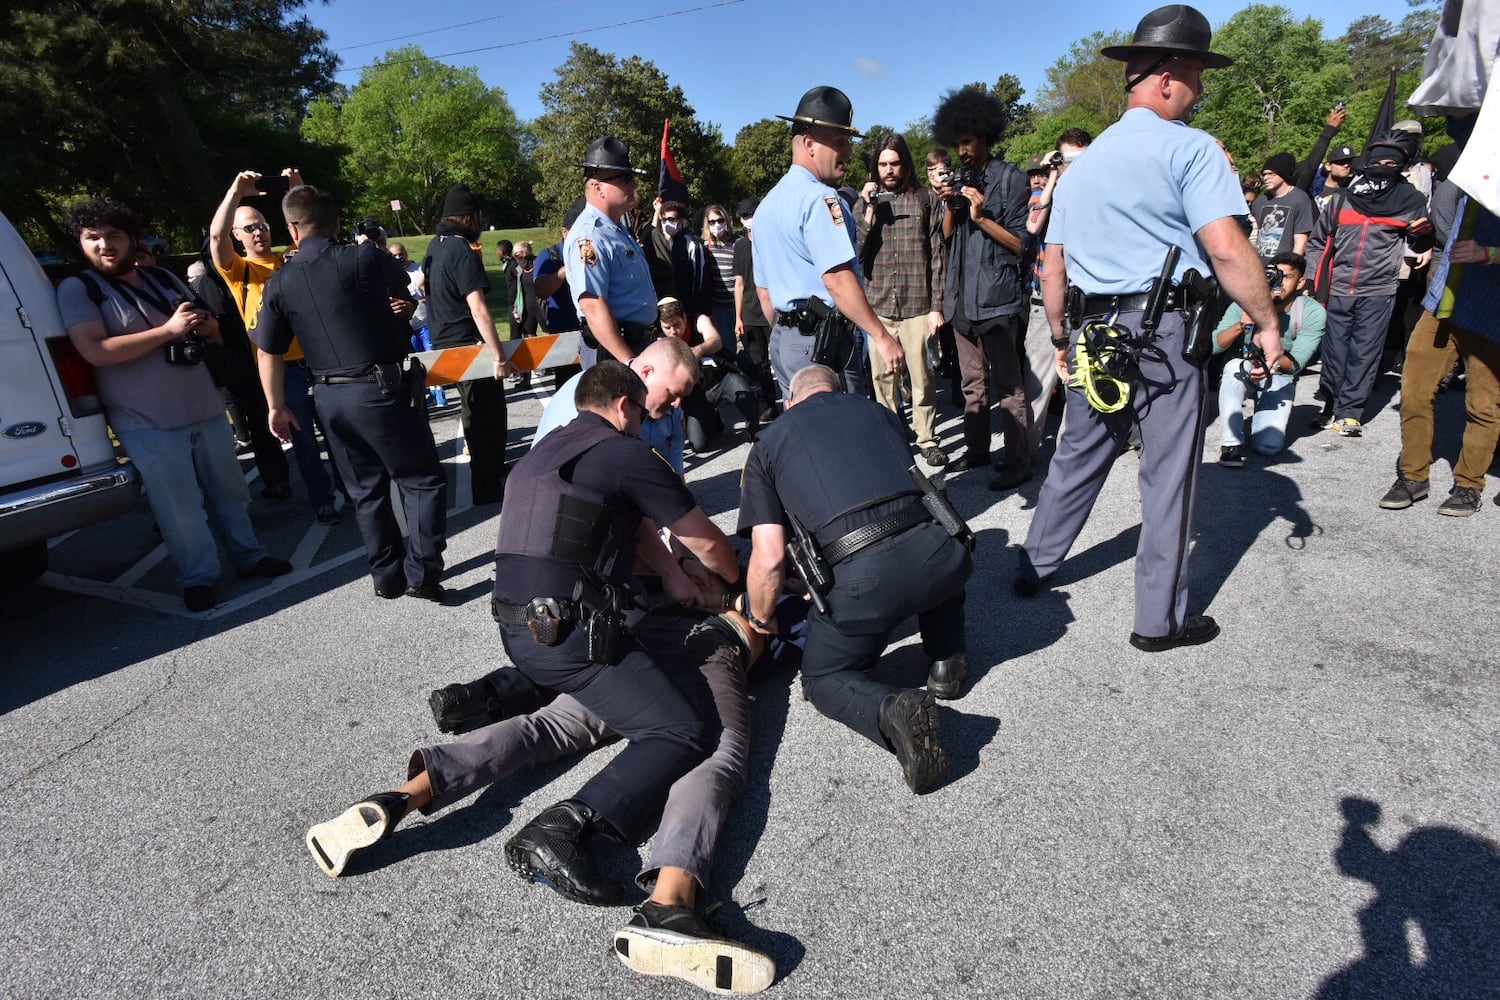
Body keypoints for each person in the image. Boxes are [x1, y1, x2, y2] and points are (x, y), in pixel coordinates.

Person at [307, 598, 785, 995]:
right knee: (714, 759)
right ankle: (669, 905)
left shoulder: (679, 566)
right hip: (716, 644)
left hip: (637, 645)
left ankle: (398, 798)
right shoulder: (755, 573)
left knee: (547, 728)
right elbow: (762, 612)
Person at [1017, 4, 1284, 651]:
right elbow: (1225, 247)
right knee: (1167, 474)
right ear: (1166, 76)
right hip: (1164, 330)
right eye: (1198, 73)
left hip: (1093, 330)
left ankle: (1033, 565)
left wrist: (1059, 338)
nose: (1203, 89)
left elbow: (1051, 267)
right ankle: (1158, 620)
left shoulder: (1078, 171)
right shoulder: (1191, 148)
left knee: (1078, 453)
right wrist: (1268, 321)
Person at [493, 361, 742, 909]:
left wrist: (673, 580)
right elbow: (704, 541)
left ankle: (486, 694)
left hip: (517, 628)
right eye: (656, 406)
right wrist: (732, 582)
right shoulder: (626, 452)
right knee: (681, 730)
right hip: (565, 636)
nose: (665, 414)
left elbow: (629, 528)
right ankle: (564, 830)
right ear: (625, 406)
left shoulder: (548, 449)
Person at [737, 364, 973, 793]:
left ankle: (891, 708)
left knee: (822, 679)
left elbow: (769, 557)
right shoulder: (879, 412)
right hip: (940, 556)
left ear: (790, 403)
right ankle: (946, 660)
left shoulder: (768, 443)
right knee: (931, 563)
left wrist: (760, 618)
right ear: (839, 390)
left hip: (863, 586)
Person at [56, 199, 291, 612]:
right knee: (180, 507)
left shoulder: (163, 278)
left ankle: (249, 556)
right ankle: (198, 577)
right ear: (80, 243)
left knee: (232, 492)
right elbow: (95, 350)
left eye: (113, 236)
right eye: (92, 238)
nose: (104, 245)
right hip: (147, 422)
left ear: (132, 239)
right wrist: (168, 330)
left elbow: (209, 329)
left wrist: (208, 327)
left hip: (205, 407)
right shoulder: (81, 288)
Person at [251, 184, 450, 602]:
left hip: (326, 396)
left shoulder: (280, 281)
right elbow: (406, 294)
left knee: (365, 490)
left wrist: (276, 406)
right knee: (420, 480)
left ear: (292, 229)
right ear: (336, 220)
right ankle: (421, 572)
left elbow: (267, 349)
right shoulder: (362, 257)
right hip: (380, 388)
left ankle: (386, 576)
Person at [753, 86, 905, 397]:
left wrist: (788, 338)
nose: (848, 150)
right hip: (823, 344)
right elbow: (836, 278)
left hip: (785, 340)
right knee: (842, 435)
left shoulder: (768, 204)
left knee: (805, 436)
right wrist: (882, 337)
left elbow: (765, 292)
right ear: (809, 143)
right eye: (840, 141)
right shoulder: (822, 199)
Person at [208, 169, 341, 523]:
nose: (259, 231)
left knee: (339, 435)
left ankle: (351, 490)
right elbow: (216, 234)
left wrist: (297, 185)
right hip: (282, 371)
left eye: (263, 224)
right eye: (249, 228)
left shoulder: (291, 259)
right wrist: (235, 192)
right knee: (306, 445)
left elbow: (310, 222)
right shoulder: (238, 270)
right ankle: (322, 500)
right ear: (238, 237)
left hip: (319, 360)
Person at [1379, 172, 1500, 517]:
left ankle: (1468, 485)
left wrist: (1487, 253)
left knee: (1483, 404)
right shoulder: (1476, 167)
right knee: (1414, 391)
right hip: (1443, 300)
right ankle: (1414, 476)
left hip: (1490, 308)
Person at [930, 87, 1034, 489]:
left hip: (997, 302)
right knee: (972, 385)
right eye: (957, 144)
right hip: (961, 303)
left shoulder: (1011, 179)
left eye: (968, 141)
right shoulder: (958, 181)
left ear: (985, 137)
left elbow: (1021, 244)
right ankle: (976, 453)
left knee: (1008, 387)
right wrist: (949, 207)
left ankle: (1019, 460)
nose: (963, 150)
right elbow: (945, 237)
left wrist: (980, 215)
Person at [1304, 132, 1433, 437]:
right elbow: (1318, 241)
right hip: (1338, 286)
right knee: (1334, 350)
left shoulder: (1411, 200)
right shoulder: (1341, 200)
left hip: (1380, 289)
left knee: (1365, 351)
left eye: (1393, 163)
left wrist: (1423, 243)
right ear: (1369, 163)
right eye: (1379, 162)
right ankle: (1330, 403)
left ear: (1402, 166)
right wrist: (1312, 277)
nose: (1384, 168)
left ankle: (1350, 412)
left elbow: (1420, 238)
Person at [855, 133, 947, 467]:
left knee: (922, 378)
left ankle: (927, 438)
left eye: (894, 163)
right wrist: (868, 210)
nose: (889, 170)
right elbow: (855, 253)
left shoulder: (924, 200)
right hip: (878, 307)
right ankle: (890, 436)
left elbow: (937, 255)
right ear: (874, 167)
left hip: (917, 305)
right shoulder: (866, 203)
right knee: (882, 379)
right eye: (882, 164)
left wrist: (937, 306)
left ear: (905, 163)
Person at [423, 183, 513, 505]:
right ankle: (487, 485)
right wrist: (498, 354)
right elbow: (477, 306)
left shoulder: (435, 246)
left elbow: (425, 287)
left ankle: (487, 478)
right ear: (470, 217)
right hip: (469, 344)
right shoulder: (462, 249)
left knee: (472, 412)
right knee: (487, 417)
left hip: (444, 341)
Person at [1212, 252, 1326, 465]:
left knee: (1268, 447)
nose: (1279, 282)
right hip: (1246, 368)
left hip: (1279, 375)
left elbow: (1296, 364)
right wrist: (1240, 325)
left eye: (1288, 277)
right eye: (1275, 275)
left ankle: (1262, 417)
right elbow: (1214, 346)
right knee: (1232, 368)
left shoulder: (1311, 312)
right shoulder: (1245, 302)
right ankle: (1231, 445)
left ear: (1300, 282)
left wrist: (1271, 362)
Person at [1021, 129, 1093, 454]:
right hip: (1043, 302)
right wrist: (1052, 177)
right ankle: (1023, 456)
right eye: (1068, 159)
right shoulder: (1043, 194)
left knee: (1079, 386)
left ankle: (1069, 459)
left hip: (1087, 303)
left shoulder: (1098, 193)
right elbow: (1033, 226)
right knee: (1037, 382)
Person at [532, 335, 698, 474]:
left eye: (682, 396)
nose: (677, 404)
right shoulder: (595, 394)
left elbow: (675, 480)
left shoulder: (669, 408)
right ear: (647, 373)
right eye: (672, 393)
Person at [564, 137, 659, 368]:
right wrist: (630, 361)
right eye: (625, 178)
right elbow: (592, 306)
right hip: (615, 353)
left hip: (635, 344)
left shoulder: (617, 229)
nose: (633, 185)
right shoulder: (590, 236)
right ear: (598, 187)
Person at [658, 296, 760, 451]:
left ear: (684, 317)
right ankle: (713, 420)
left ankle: (754, 429)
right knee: (698, 446)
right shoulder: (659, 340)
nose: (673, 331)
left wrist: (697, 350)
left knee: (744, 394)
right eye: (667, 327)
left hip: (721, 379)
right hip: (696, 392)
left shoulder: (699, 320)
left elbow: (716, 340)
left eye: (677, 325)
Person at [730, 197, 780, 415]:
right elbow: (738, 283)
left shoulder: (773, 241)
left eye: (750, 215)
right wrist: (738, 317)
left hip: (774, 310)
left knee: (781, 358)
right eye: (743, 217)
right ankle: (770, 403)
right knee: (759, 363)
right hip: (750, 313)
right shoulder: (740, 246)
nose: (747, 220)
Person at [1251, 152, 1316, 262]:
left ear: (1283, 174)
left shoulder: (1299, 199)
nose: (1266, 178)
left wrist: (1292, 267)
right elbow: (1253, 236)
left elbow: (1301, 241)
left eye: (1271, 174)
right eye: (1264, 174)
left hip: (1284, 266)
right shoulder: (1259, 202)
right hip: (1259, 266)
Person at [701, 203, 739, 347]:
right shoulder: (706, 246)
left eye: (720, 220)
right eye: (712, 222)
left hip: (738, 304)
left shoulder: (738, 243)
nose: (717, 224)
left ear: (726, 221)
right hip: (719, 305)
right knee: (728, 344)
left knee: (748, 343)